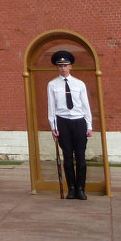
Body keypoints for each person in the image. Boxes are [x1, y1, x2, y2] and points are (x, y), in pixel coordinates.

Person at [47, 49, 93, 200]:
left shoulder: (79, 84)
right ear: (57, 67)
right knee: (67, 157)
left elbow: (86, 105)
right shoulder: (52, 84)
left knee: (80, 156)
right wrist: (53, 127)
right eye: (60, 66)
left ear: (71, 66)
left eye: (65, 65)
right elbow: (51, 107)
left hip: (79, 121)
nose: (63, 68)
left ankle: (81, 189)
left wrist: (89, 125)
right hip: (62, 121)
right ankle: (71, 189)